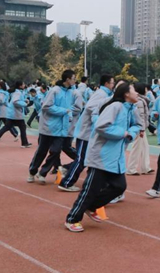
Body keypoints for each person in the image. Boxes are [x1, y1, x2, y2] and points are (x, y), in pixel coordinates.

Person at [64, 81, 141, 233]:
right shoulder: (115, 106)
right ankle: (72, 218)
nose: (137, 93)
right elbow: (101, 126)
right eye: (134, 90)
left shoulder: (130, 109)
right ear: (126, 93)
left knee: (119, 187)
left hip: (116, 158)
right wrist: (122, 133)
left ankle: (92, 206)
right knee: (90, 190)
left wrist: (130, 133)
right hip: (101, 156)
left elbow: (136, 125)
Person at [58, 75, 114, 192]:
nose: (113, 85)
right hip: (86, 131)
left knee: (87, 159)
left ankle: (67, 170)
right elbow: (90, 107)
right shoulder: (101, 94)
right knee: (81, 159)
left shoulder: (104, 94)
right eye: (112, 83)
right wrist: (98, 116)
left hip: (90, 132)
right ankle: (67, 182)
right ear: (107, 83)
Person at [27, 70, 76, 184]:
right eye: (73, 78)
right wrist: (64, 111)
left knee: (56, 151)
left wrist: (69, 115)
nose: (74, 80)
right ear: (67, 79)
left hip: (62, 128)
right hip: (49, 127)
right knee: (42, 151)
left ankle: (42, 173)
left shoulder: (71, 93)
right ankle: (32, 171)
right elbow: (46, 106)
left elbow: (70, 108)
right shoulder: (55, 91)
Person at [0, 81, 31, 149]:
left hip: (12, 113)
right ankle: (24, 143)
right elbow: (15, 101)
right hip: (16, 114)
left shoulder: (15, 92)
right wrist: (24, 103)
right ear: (20, 86)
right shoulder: (17, 92)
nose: (24, 85)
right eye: (23, 84)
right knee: (22, 127)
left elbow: (15, 100)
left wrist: (24, 100)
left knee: (7, 127)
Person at [127, 82, 153, 176]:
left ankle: (145, 167)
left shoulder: (142, 100)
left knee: (145, 147)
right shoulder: (139, 101)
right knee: (137, 147)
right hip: (139, 128)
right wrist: (141, 129)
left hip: (141, 127)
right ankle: (131, 168)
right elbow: (140, 116)